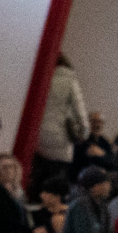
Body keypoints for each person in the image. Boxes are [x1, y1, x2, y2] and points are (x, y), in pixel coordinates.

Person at [32, 56, 87, 191]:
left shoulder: (40, 77)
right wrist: (83, 135)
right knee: (54, 187)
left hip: (37, 137)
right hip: (60, 142)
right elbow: (81, 115)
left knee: (35, 183)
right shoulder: (70, 81)